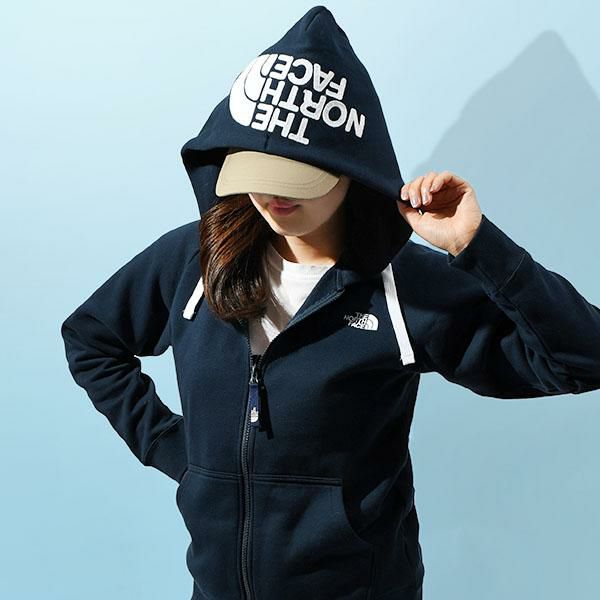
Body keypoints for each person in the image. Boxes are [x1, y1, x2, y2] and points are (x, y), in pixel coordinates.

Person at [60, 6, 600, 600]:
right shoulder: (193, 261)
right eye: (259, 167)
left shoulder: (403, 288)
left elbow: (583, 359)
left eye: (297, 175)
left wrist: (479, 247)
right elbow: (90, 338)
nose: (271, 194)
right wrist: (173, 449)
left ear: (351, 168)